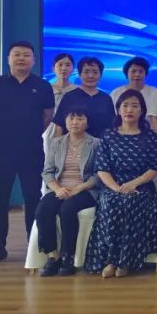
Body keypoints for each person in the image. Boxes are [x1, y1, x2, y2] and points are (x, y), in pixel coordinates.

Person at [0, 41, 55, 264]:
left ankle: (34, 244)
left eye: (26, 55)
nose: (21, 58)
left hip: (32, 150)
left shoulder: (42, 86)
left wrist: (30, 134)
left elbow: (48, 116)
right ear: (8, 59)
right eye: (17, 54)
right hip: (1, 150)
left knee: (33, 197)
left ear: (34, 60)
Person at [83, 89, 157, 278]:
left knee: (130, 203)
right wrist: (117, 188)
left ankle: (125, 261)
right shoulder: (108, 135)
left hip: (141, 186)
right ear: (118, 109)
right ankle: (112, 260)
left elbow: (154, 167)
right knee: (111, 203)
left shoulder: (150, 136)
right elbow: (102, 169)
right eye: (125, 105)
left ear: (142, 111)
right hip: (113, 186)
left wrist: (134, 184)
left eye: (135, 106)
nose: (129, 110)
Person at [35, 105, 100, 277]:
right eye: (71, 118)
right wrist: (57, 188)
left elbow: (98, 175)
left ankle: (67, 256)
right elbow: (47, 172)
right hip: (60, 188)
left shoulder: (96, 143)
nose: (75, 122)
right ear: (65, 121)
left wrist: (79, 188)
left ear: (87, 122)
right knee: (43, 209)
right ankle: (52, 256)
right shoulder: (56, 143)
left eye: (80, 118)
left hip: (84, 190)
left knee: (67, 210)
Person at [51, 57, 115, 138]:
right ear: (79, 75)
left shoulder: (106, 99)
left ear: (100, 75)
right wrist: (57, 144)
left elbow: (112, 127)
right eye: (86, 72)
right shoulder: (69, 97)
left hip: (101, 144)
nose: (90, 76)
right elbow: (59, 125)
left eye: (95, 72)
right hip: (74, 145)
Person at [43, 53, 78, 143]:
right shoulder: (45, 89)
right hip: (48, 130)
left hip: (72, 131)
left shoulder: (77, 90)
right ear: (53, 68)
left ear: (73, 69)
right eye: (60, 65)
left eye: (68, 65)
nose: (64, 68)